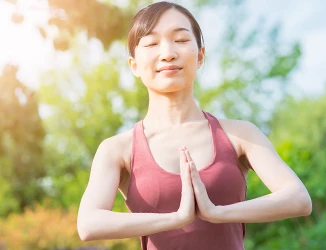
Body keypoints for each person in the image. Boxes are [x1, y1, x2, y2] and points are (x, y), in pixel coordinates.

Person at [77, 1, 312, 249]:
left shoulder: (240, 134)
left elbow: (298, 199)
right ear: (134, 65)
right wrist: (177, 218)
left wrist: (216, 212)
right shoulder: (117, 149)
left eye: (180, 40)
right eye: (152, 43)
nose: (167, 53)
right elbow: (89, 224)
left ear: (200, 56)